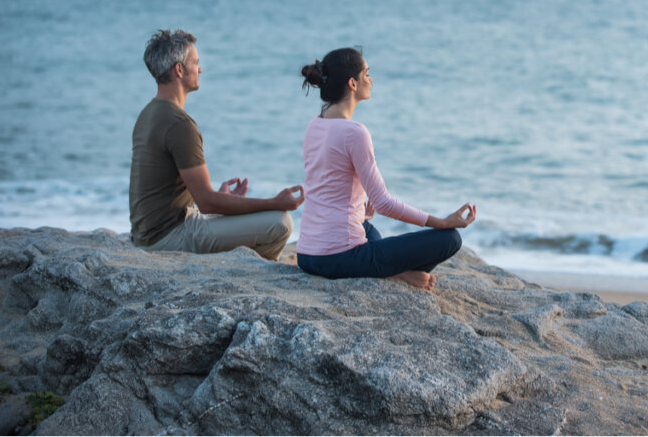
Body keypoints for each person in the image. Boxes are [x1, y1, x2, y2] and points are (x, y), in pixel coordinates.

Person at [296, 47, 476, 291]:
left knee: (367, 228)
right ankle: (399, 273)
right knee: (450, 239)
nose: (371, 80)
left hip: (307, 255)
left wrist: (356, 214)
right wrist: (441, 222)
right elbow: (383, 204)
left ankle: (399, 271)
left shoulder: (314, 124)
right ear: (352, 83)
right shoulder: (355, 133)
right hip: (338, 257)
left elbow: (324, 186)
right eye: (366, 74)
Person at [129, 29, 304, 260]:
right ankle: (250, 269)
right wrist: (273, 202)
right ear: (179, 70)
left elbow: (188, 197)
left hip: (148, 234)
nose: (200, 69)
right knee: (280, 222)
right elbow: (207, 203)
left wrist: (225, 200)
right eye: (195, 63)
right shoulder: (179, 124)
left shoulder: (148, 113)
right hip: (167, 237)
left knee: (249, 217)